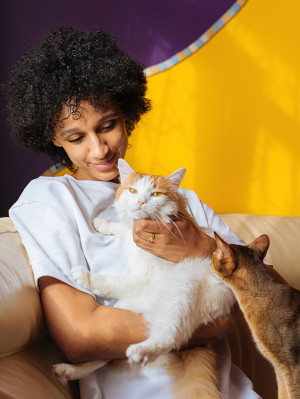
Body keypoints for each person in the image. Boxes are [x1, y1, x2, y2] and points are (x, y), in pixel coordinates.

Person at [7, 27, 260, 398]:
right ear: (53, 138)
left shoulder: (180, 197)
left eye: (108, 125)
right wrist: (210, 324)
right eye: (76, 138)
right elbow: (80, 335)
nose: (99, 150)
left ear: (127, 114)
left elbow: (274, 298)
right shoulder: (50, 199)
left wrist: (201, 247)